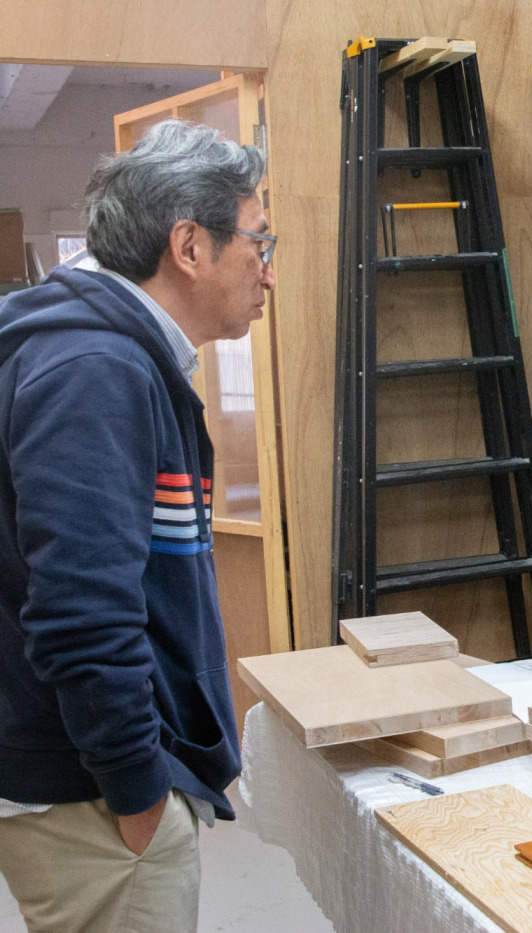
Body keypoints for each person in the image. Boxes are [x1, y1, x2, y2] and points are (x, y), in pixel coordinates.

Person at [0, 120, 275, 932]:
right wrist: (136, 789)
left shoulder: (102, 353)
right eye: (257, 242)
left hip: (83, 775)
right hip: (90, 791)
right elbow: (81, 612)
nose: (267, 270)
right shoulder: (96, 370)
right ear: (189, 246)